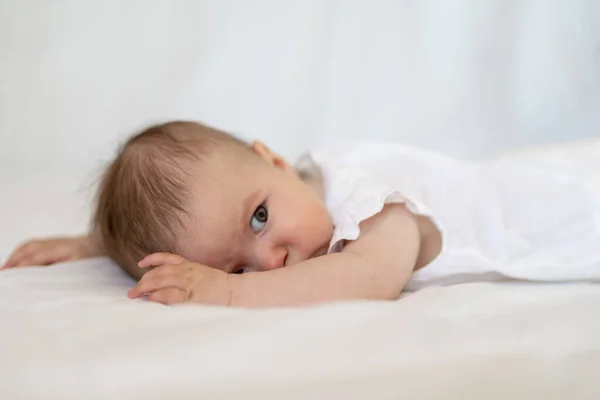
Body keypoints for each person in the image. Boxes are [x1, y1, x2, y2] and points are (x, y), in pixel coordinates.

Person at [2, 121, 599, 308]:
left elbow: (370, 280)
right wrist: (94, 243)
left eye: (259, 219)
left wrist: (227, 294)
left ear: (276, 161)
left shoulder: (370, 207)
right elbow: (204, 229)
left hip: (557, 205)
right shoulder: (289, 190)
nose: (274, 260)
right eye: (239, 271)